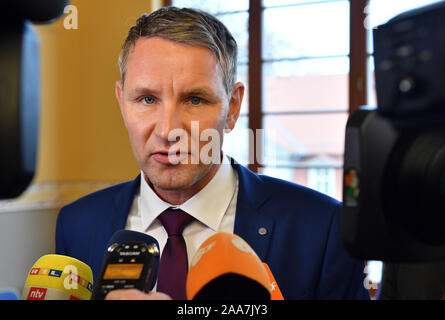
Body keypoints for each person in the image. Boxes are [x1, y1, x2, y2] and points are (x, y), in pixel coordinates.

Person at [55, 6, 369, 300]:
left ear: (232, 107)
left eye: (194, 100)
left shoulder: (322, 228)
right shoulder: (77, 224)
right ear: (123, 102)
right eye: (147, 99)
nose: (168, 130)